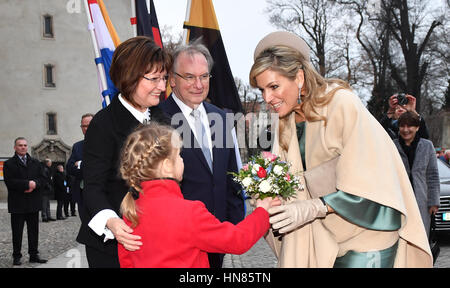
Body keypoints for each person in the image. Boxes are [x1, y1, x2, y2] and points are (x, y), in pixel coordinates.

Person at [249, 31, 433, 267]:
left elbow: (371, 181)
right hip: (325, 240)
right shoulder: (284, 124)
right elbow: (287, 181)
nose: (268, 98)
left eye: (274, 86)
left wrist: (314, 206)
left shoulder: (341, 103)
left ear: (300, 78)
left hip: (367, 237)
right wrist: (267, 196)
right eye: (262, 90)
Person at [117, 124, 278, 267]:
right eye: (179, 155)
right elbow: (237, 240)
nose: (182, 160)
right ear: (167, 166)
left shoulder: (130, 212)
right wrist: (262, 210)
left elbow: (127, 262)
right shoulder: (188, 212)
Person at [76, 36, 172, 268]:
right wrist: (111, 221)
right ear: (130, 77)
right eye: (155, 79)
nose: (162, 86)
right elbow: (93, 187)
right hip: (112, 247)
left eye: (164, 78)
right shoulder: (103, 124)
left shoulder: (163, 118)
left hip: (156, 243)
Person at [158, 41, 245, 268]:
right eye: (189, 77)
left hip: (218, 237)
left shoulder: (221, 117)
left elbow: (231, 176)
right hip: (177, 242)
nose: (198, 84)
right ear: (173, 79)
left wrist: (234, 225)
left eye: (204, 76)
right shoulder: (157, 121)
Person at [393, 111, 440, 238]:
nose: (405, 130)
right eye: (402, 126)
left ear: (417, 127)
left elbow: (432, 175)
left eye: (410, 126)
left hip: (421, 201)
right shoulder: (393, 146)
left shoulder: (427, 146)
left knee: (420, 237)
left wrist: (433, 202)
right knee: (400, 237)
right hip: (399, 201)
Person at [3, 137, 48, 265]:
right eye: (20, 145)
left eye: (25, 145)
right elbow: (10, 182)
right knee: (17, 232)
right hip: (18, 203)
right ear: (15, 147)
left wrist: (35, 184)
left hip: (33, 202)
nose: (23, 147)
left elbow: (43, 179)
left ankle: (33, 254)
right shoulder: (9, 164)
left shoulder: (35, 162)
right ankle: (16, 256)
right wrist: (27, 184)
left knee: (34, 231)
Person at [66, 113, 94, 216]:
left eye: (89, 125)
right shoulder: (77, 146)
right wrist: (84, 166)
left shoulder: (105, 143)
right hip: (82, 194)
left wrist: (80, 164)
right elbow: (69, 168)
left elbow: (96, 167)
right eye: (84, 126)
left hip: (101, 193)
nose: (86, 129)